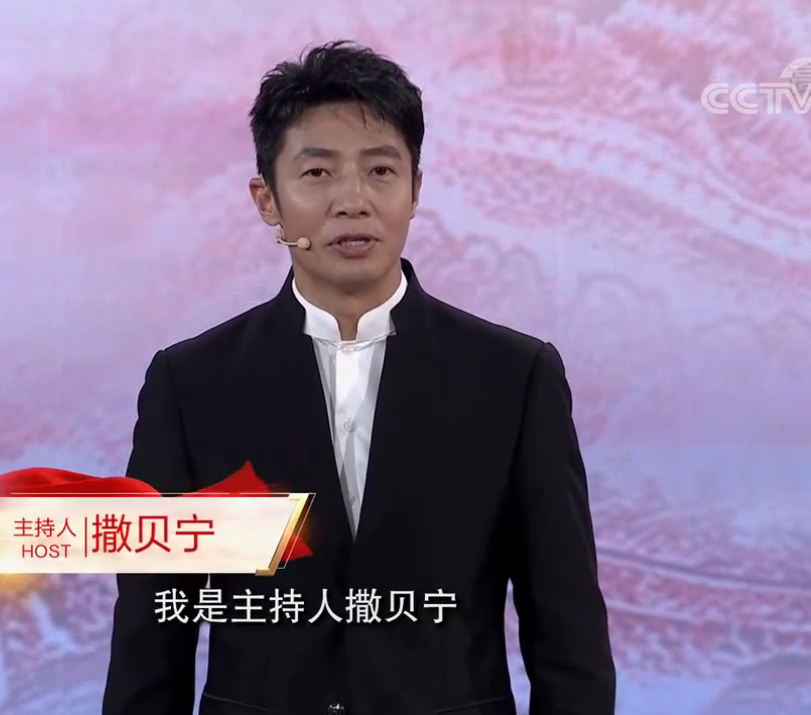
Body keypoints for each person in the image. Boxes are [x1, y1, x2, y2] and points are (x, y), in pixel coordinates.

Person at [103, 40, 615, 715]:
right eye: (318, 173)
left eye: (380, 170)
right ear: (267, 199)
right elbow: (150, 632)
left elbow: (567, 631)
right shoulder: (190, 382)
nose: (353, 200)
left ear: (415, 190)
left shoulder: (513, 377)